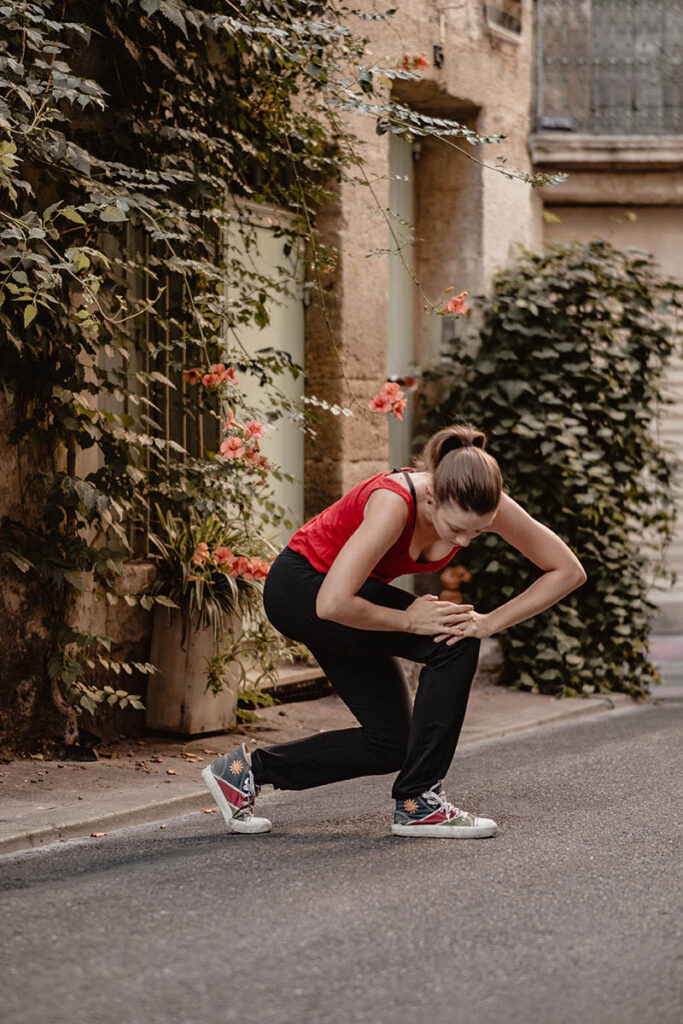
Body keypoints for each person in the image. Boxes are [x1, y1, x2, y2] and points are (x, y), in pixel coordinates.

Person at [201, 424, 586, 839]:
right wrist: (409, 620)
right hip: (302, 589)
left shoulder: (482, 499)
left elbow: (568, 571)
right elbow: (331, 604)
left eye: (478, 531)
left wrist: (490, 622)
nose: (464, 541)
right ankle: (419, 802)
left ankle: (242, 773)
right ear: (432, 495)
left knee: (392, 743)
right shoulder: (394, 502)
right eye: (456, 529)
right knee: (454, 642)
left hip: (345, 597)